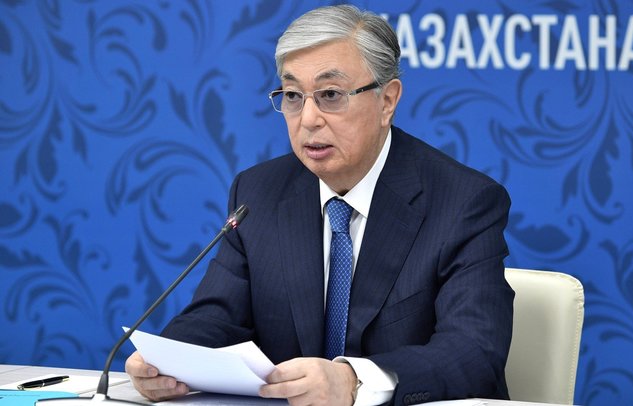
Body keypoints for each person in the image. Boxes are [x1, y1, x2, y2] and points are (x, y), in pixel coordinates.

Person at [125, 5, 514, 406]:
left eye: (330, 95)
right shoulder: (259, 193)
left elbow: (474, 350)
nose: (308, 118)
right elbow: (216, 317)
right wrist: (166, 360)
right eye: (293, 96)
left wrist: (353, 381)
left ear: (387, 101)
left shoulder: (463, 202)